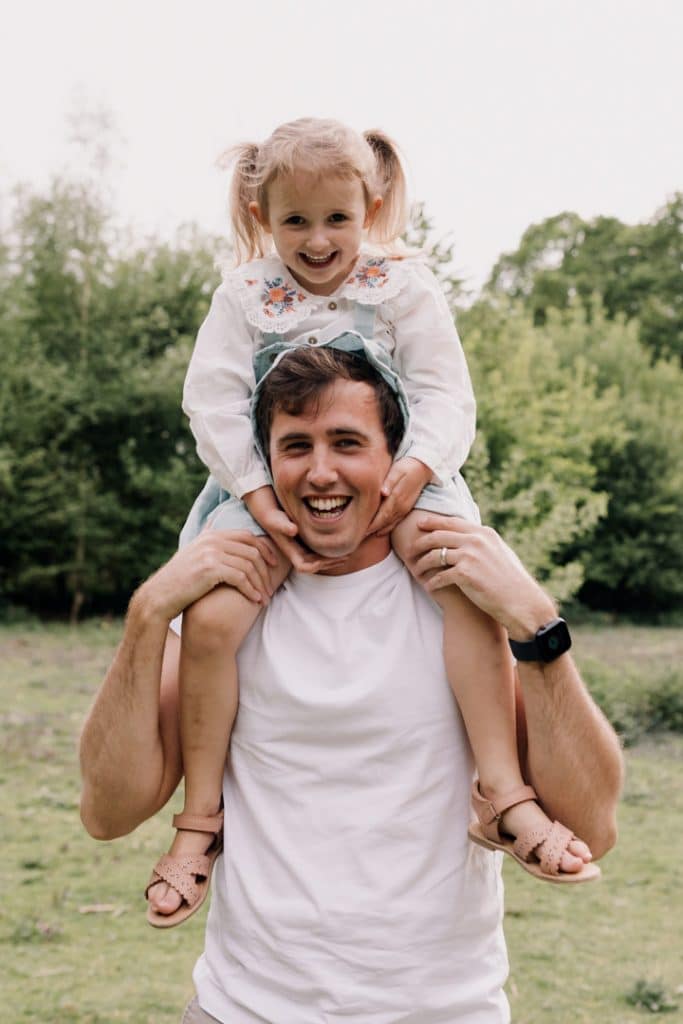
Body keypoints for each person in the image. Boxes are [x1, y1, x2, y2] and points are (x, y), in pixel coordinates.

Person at [80, 346, 623, 1023]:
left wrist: (538, 624)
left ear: (396, 462)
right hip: (242, 1010)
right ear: (262, 462)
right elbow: (108, 812)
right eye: (294, 446)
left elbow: (591, 827)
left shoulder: (455, 602)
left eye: (347, 443)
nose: (320, 472)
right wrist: (147, 615)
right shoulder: (229, 605)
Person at [146, 117, 597, 926]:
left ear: (372, 204)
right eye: (295, 221)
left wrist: (415, 470)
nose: (317, 241)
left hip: (403, 470)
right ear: (261, 217)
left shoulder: (402, 284)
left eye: (336, 219)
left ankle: (500, 787)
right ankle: (199, 821)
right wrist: (254, 496)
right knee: (212, 622)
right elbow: (211, 398)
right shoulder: (245, 293)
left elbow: (443, 392)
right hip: (264, 481)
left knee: (463, 586)